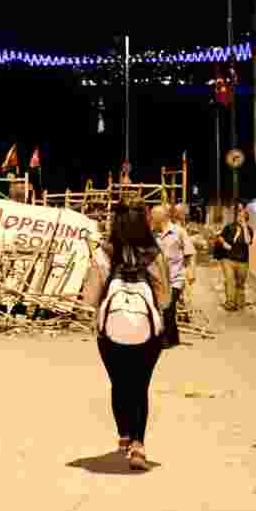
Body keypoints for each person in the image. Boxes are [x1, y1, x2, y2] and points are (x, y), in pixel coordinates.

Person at [81, 200, 171, 471]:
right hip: (147, 334)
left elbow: (90, 298)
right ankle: (138, 445)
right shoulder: (154, 254)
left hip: (110, 334)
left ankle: (124, 433)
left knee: (119, 383)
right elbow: (165, 299)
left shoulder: (103, 254)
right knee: (140, 386)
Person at [151, 205, 196, 348]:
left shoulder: (179, 232)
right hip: (159, 279)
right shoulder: (152, 234)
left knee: (168, 306)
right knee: (165, 308)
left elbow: (190, 253)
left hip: (176, 278)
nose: (151, 219)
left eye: (153, 216)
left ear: (162, 217)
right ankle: (174, 337)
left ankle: (166, 340)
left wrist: (191, 271)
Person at [214, 202, 255, 311]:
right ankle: (230, 303)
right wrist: (224, 244)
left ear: (246, 219)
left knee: (240, 284)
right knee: (230, 280)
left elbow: (248, 241)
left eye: (242, 217)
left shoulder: (249, 230)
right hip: (228, 259)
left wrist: (244, 227)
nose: (240, 218)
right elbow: (220, 236)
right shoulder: (229, 227)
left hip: (242, 261)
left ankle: (239, 303)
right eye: (239, 216)